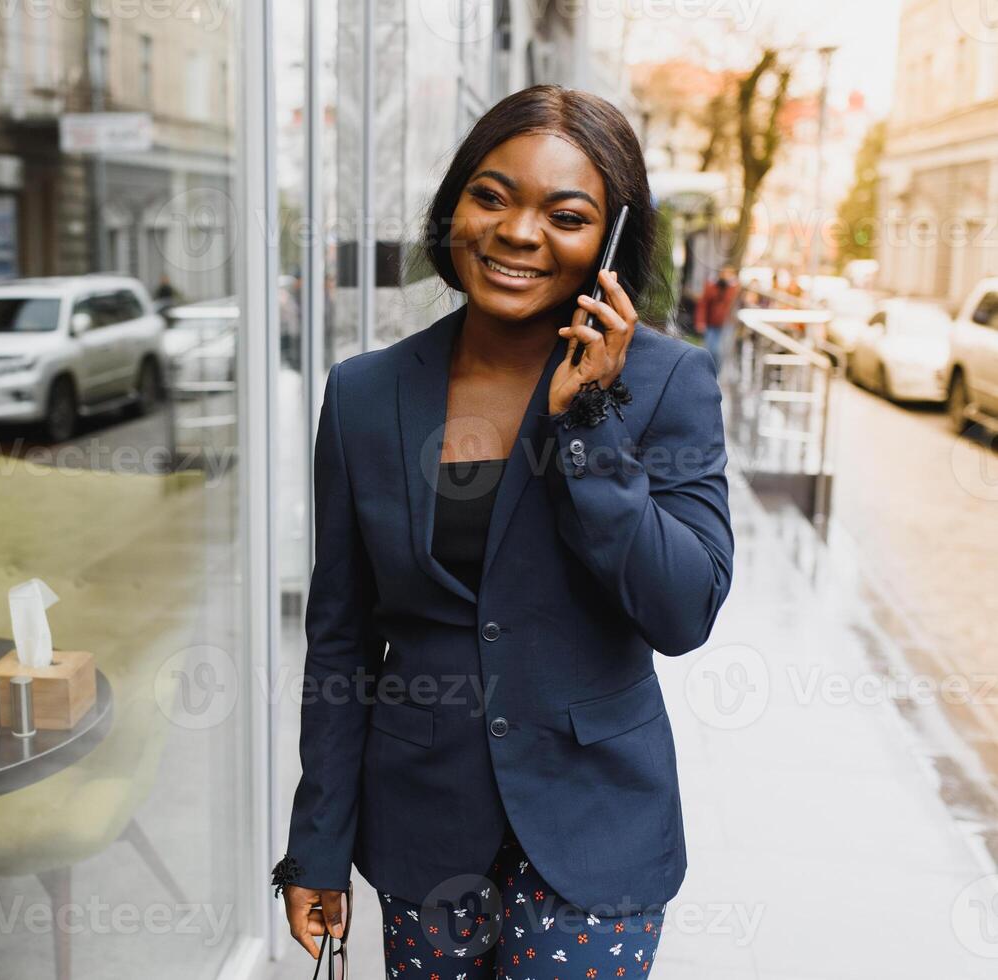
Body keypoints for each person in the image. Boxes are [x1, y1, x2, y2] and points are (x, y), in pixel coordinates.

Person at [272, 84, 734, 978]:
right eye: (491, 196)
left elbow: (682, 614)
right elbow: (339, 642)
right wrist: (316, 843)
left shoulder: (670, 383)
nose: (518, 232)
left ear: (609, 241)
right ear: (454, 210)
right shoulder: (365, 395)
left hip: (594, 830)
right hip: (423, 827)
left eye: (565, 214)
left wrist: (591, 420)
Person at [693, 263, 739, 378]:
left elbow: (735, 305)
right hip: (711, 324)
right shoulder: (711, 286)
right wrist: (700, 322)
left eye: (729, 274)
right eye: (725, 273)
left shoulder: (734, 289)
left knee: (721, 351)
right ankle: (709, 372)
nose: (726, 276)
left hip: (727, 326)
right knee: (711, 349)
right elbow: (703, 305)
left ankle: (716, 374)